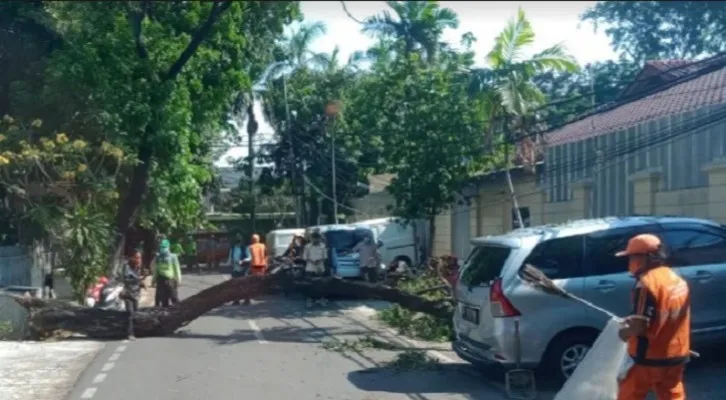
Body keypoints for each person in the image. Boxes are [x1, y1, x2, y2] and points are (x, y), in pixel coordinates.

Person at [615, 234, 690, 400]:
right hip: (677, 354)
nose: (630, 263)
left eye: (632, 258)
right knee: (672, 394)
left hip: (649, 356)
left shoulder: (646, 283)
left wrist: (622, 334)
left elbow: (640, 326)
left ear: (645, 258)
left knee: (630, 394)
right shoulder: (675, 278)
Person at [120, 250, 144, 340]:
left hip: (136, 293)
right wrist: (138, 280)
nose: (139, 260)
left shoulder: (138, 267)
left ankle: (136, 331)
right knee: (130, 312)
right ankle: (130, 333)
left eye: (140, 258)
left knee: (135, 312)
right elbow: (126, 280)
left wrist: (141, 283)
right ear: (132, 258)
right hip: (128, 293)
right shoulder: (127, 267)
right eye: (137, 258)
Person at [152, 239, 182, 308]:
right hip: (160, 279)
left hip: (170, 280)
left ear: (168, 247)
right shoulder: (158, 257)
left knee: (174, 298)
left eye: (164, 247)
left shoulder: (173, 257)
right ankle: (165, 315)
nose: (163, 248)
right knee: (163, 300)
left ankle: (178, 312)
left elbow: (177, 269)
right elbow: (156, 270)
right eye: (161, 247)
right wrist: (153, 280)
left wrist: (179, 280)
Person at [303, 231, 328, 308]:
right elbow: (305, 257)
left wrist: (319, 261)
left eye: (317, 238)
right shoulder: (307, 247)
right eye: (314, 238)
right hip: (310, 268)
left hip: (320, 268)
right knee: (310, 285)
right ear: (311, 239)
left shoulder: (323, 246)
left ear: (319, 239)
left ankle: (321, 300)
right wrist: (312, 261)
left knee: (321, 285)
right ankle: (309, 301)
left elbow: (325, 257)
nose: (316, 240)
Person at [242, 234, 267, 305]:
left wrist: (243, 261)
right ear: (259, 239)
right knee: (260, 280)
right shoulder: (263, 246)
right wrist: (266, 265)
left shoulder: (250, 247)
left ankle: (247, 298)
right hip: (262, 266)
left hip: (254, 266)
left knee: (249, 281)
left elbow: (249, 258)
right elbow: (266, 256)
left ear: (252, 240)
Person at [228, 237, 250, 305]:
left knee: (244, 285)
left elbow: (249, 258)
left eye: (239, 243)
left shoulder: (245, 248)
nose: (238, 245)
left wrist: (242, 261)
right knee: (235, 285)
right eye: (237, 243)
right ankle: (236, 300)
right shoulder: (233, 248)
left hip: (243, 269)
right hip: (235, 269)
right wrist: (231, 262)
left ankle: (247, 300)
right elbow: (229, 258)